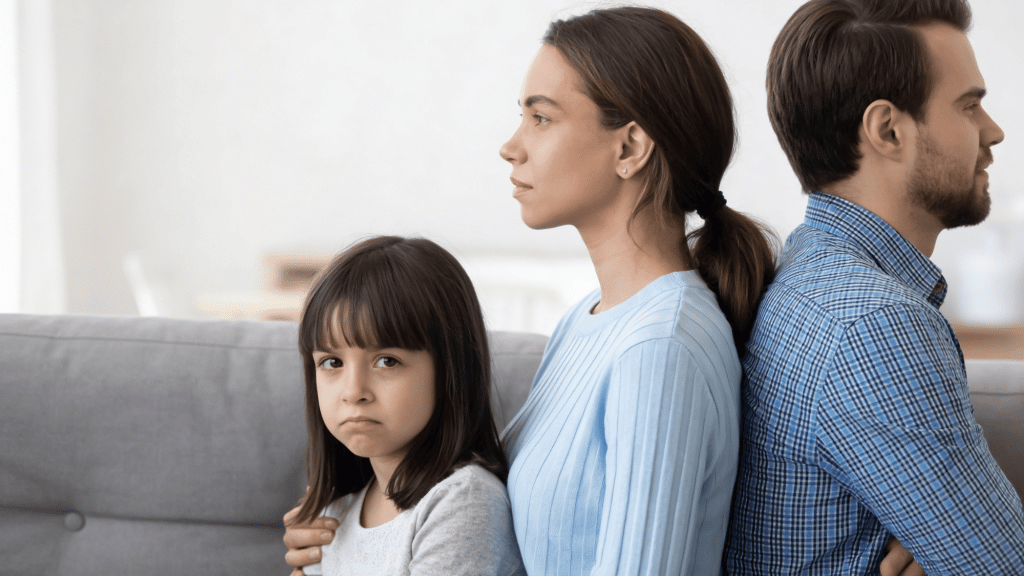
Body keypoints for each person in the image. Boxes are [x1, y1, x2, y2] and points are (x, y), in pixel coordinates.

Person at [287, 6, 777, 574]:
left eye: (541, 119)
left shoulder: (658, 350)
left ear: (630, 148)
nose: (511, 146)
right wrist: (353, 539)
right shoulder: (586, 321)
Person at [723, 0, 1024, 574]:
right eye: (969, 106)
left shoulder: (806, 271)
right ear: (888, 129)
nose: (994, 132)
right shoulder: (876, 326)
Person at [285, 235, 525, 576]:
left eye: (387, 361)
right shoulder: (335, 513)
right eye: (332, 363)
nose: (353, 392)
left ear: (450, 369)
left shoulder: (463, 500)